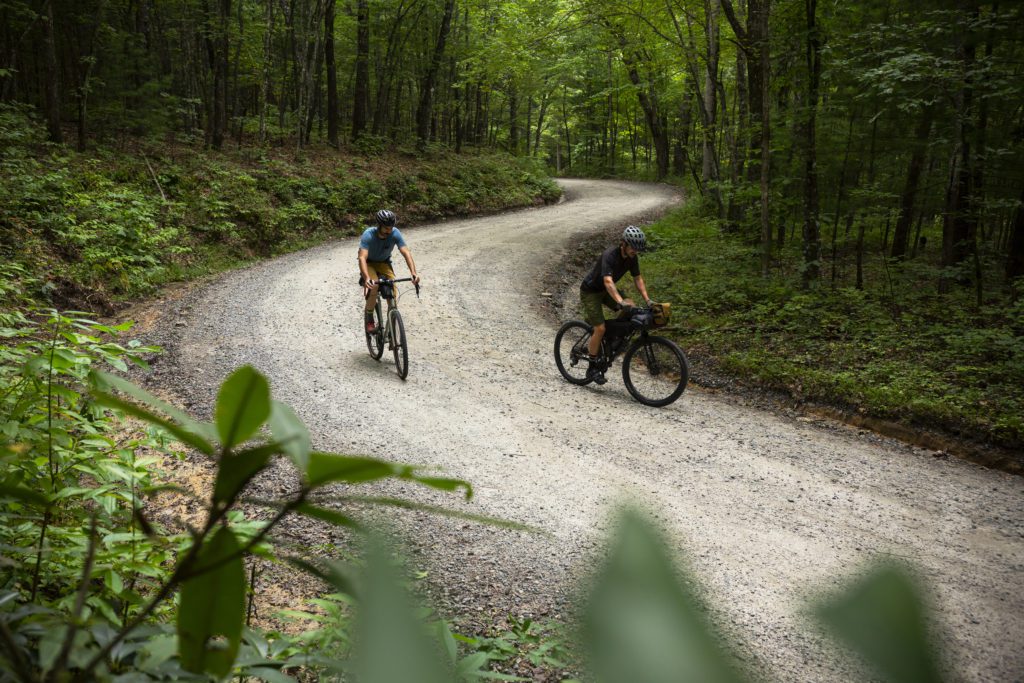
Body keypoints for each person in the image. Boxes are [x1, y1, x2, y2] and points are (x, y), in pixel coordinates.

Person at [578, 225, 654, 384]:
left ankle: (612, 338)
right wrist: (619, 302)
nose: (635, 251)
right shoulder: (610, 255)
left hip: (606, 291)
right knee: (600, 328)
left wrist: (648, 300)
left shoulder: (632, 258)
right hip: (591, 291)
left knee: (631, 306)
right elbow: (607, 281)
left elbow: (638, 279)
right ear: (624, 244)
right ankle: (592, 368)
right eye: (633, 247)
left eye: (638, 248)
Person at [358, 209, 420, 333]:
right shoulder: (368, 234)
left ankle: (391, 318)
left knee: (391, 288)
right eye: (386, 228)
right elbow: (362, 257)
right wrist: (366, 277)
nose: (389, 230)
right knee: (374, 285)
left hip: (384, 263)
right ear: (379, 226)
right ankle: (369, 317)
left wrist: (413, 272)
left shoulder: (395, 233)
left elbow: (406, 252)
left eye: (391, 227)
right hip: (369, 263)